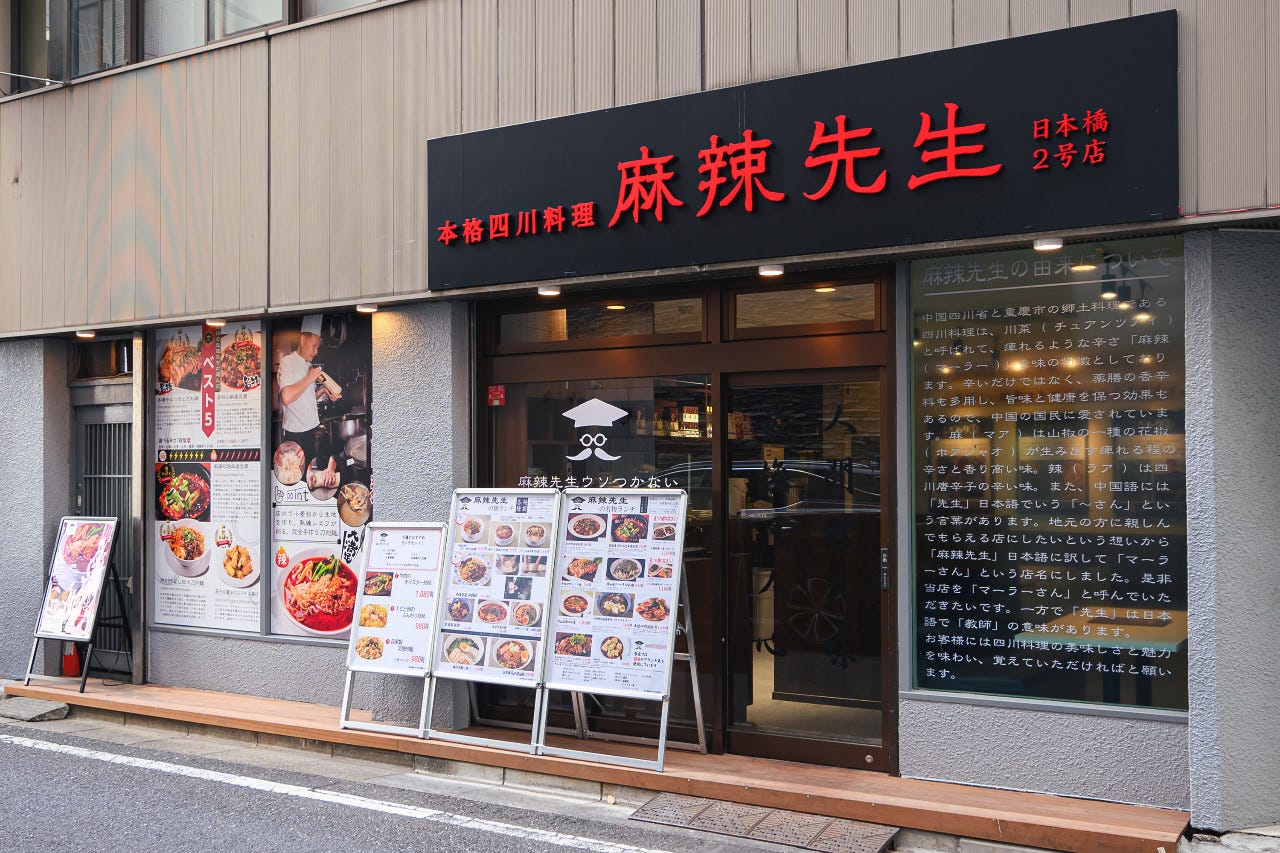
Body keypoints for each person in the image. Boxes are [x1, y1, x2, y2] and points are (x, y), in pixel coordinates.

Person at [278, 315, 341, 474]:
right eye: (314, 345)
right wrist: (309, 378)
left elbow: (306, 398)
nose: (316, 351)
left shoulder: (309, 366)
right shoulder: (288, 362)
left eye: (318, 347)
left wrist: (323, 391)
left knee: (310, 477)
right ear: (302, 339)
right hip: (296, 436)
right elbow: (286, 397)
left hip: (311, 432)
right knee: (296, 475)